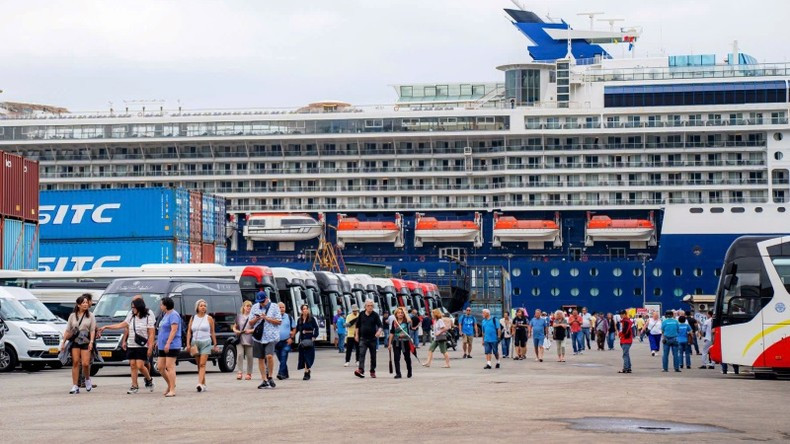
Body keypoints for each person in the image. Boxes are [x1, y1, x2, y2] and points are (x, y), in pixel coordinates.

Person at [98, 297, 155, 394]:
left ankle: (149, 379)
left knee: (140, 365)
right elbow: (123, 325)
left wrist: (150, 347)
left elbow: (151, 333)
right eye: (132, 307)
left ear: (139, 307)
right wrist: (106, 327)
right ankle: (134, 386)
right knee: (133, 365)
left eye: (134, 307)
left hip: (142, 345)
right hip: (131, 343)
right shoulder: (131, 315)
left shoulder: (149, 315)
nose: (132, 309)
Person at [61, 295, 97, 394]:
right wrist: (63, 342)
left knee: (85, 364)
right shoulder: (72, 316)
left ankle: (87, 379)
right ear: (78, 305)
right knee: (76, 362)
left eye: (86, 302)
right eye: (83, 303)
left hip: (86, 340)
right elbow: (68, 330)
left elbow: (93, 330)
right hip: (75, 341)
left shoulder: (91, 315)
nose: (86, 304)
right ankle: (75, 385)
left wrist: (91, 342)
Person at [250, 290, 282, 389]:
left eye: (263, 301)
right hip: (258, 337)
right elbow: (250, 323)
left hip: (271, 336)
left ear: (267, 299)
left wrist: (267, 318)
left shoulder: (274, 306)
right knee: (260, 358)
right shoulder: (255, 307)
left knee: (269, 356)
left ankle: (270, 376)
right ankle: (264, 379)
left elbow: (279, 321)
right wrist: (257, 319)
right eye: (260, 301)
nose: (261, 303)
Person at [186, 299, 220, 392]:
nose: (203, 307)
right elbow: (189, 331)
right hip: (195, 343)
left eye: (204, 306)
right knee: (199, 365)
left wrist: (215, 343)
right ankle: (203, 384)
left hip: (206, 342)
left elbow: (212, 332)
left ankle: (199, 384)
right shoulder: (193, 318)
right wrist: (188, 344)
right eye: (201, 305)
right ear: (197, 307)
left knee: (202, 364)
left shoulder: (208, 318)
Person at [157, 296, 181, 397]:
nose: (160, 306)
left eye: (161, 304)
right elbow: (163, 329)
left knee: (169, 366)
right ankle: (170, 384)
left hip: (172, 345)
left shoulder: (174, 315)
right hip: (162, 345)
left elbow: (174, 330)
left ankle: (172, 389)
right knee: (160, 367)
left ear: (166, 305)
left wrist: (168, 342)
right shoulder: (165, 315)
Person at [354, 300, 382, 378]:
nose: (370, 307)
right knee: (361, 354)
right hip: (363, 338)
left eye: (371, 306)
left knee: (373, 356)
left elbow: (380, 325)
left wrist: (379, 332)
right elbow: (357, 326)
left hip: (373, 339)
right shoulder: (361, 314)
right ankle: (361, 370)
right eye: (368, 306)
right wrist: (356, 335)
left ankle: (372, 371)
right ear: (365, 306)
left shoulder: (375, 315)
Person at [388, 307, 414, 378]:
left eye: (401, 313)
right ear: (396, 314)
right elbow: (392, 333)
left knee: (407, 358)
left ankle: (409, 371)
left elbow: (410, 320)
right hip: (396, 342)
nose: (400, 314)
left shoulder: (406, 321)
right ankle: (398, 373)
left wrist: (405, 312)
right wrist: (389, 344)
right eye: (398, 313)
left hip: (405, 341)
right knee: (396, 358)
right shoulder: (394, 322)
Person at [232, 300, 254, 380]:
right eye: (247, 306)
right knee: (240, 355)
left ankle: (249, 373)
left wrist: (250, 331)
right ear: (243, 307)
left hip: (249, 338)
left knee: (250, 356)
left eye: (250, 306)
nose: (248, 308)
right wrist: (236, 331)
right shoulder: (239, 316)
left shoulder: (253, 317)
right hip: (240, 338)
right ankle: (240, 372)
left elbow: (256, 328)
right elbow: (234, 326)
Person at [296, 304, 319, 380]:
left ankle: (306, 372)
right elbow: (297, 329)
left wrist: (314, 336)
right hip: (302, 339)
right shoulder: (299, 320)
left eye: (306, 309)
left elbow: (316, 328)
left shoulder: (312, 319)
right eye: (303, 309)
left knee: (308, 356)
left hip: (309, 339)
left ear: (308, 310)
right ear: (301, 311)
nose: (305, 310)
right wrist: (291, 336)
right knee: (304, 356)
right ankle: (307, 371)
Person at [275, 302, 296, 380]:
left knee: (283, 356)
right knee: (281, 359)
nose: (281, 309)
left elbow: (294, 328)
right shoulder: (274, 317)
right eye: (280, 307)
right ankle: (286, 374)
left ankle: (280, 373)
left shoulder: (289, 317)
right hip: (276, 342)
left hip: (286, 342)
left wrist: (292, 338)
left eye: (283, 307)